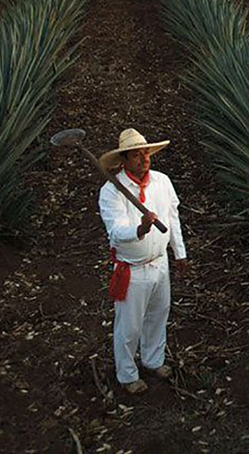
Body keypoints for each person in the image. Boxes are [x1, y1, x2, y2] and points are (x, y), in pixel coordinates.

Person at [97, 128, 189, 395]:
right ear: (123, 160)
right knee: (129, 325)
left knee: (159, 314)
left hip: (160, 263)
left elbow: (173, 219)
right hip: (132, 269)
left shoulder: (162, 182)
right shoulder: (112, 191)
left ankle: (153, 360)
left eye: (145, 153)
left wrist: (179, 253)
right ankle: (127, 374)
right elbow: (115, 231)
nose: (143, 158)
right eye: (136, 155)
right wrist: (140, 229)